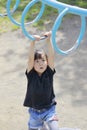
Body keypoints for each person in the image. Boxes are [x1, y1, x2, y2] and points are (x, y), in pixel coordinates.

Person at [23, 31, 59, 130]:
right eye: (37, 61)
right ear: (33, 64)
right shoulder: (31, 75)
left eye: (43, 60)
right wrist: (32, 42)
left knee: (54, 129)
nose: (40, 64)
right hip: (34, 113)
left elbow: (51, 56)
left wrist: (48, 40)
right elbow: (30, 58)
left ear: (47, 62)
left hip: (49, 110)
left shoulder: (49, 73)